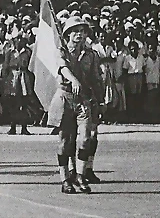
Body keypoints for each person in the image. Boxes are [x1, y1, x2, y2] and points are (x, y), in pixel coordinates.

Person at [47, 16, 102, 194]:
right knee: (65, 142)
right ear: (68, 34)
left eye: (82, 31)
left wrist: (99, 101)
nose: (79, 34)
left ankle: (80, 175)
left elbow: (96, 78)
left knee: (86, 138)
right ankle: (65, 179)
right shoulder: (61, 50)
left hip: (83, 99)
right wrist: (74, 81)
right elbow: (62, 68)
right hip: (65, 97)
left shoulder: (91, 54)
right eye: (75, 31)